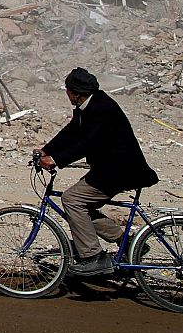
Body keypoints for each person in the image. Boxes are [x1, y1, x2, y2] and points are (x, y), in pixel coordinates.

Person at [35, 67, 159, 276]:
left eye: (67, 90)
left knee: (72, 199)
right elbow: (72, 132)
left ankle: (93, 257)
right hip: (111, 169)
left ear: (74, 92)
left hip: (120, 171)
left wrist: (55, 160)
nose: (66, 94)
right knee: (82, 208)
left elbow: (88, 143)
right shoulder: (90, 104)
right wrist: (47, 150)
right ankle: (127, 243)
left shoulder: (102, 109)